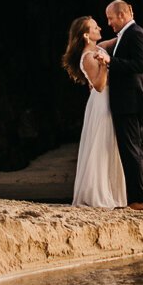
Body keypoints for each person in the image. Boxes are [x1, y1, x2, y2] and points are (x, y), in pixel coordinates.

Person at [61, 15, 127, 209]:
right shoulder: (89, 56)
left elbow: (119, 39)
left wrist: (127, 25)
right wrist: (105, 65)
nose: (99, 28)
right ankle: (98, 195)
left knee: (109, 145)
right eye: (95, 27)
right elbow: (98, 85)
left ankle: (113, 193)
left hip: (107, 101)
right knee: (101, 145)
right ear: (86, 36)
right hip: (101, 103)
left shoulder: (98, 49)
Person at [101, 0, 143, 210]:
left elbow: (140, 65)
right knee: (133, 149)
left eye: (111, 18)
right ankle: (139, 198)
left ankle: (140, 200)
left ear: (121, 15)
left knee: (132, 150)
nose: (109, 23)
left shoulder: (136, 33)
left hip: (131, 101)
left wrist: (110, 62)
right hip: (128, 101)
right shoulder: (126, 34)